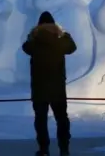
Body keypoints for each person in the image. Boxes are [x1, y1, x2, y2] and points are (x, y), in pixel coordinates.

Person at [22, 11, 77, 156]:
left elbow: (25, 47)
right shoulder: (60, 41)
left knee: (41, 120)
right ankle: (64, 149)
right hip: (57, 88)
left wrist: (32, 35)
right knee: (62, 118)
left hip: (39, 88)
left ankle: (44, 149)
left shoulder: (34, 42)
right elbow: (72, 47)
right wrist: (65, 34)